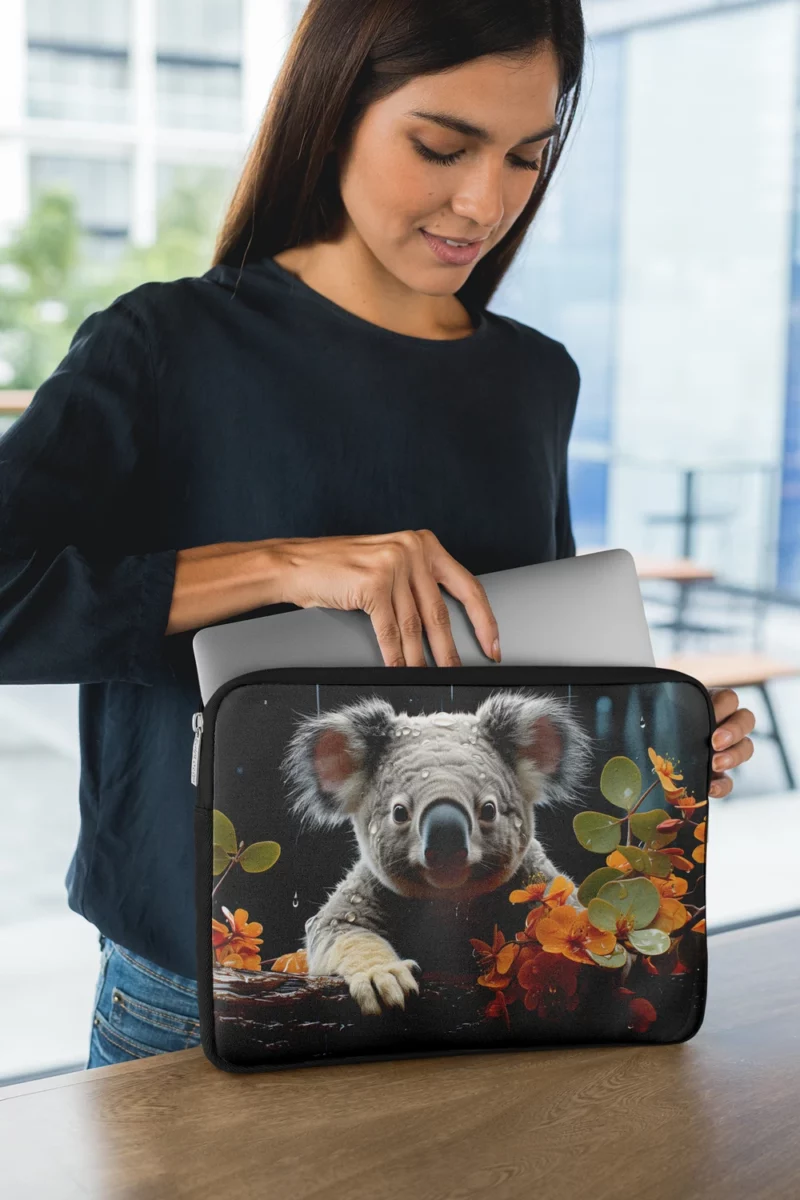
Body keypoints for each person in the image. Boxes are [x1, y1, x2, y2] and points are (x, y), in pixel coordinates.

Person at [0, 0, 755, 1070]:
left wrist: (671, 734)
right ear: (333, 108)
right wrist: (287, 567)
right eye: (439, 146)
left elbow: (523, 664)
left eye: (524, 158)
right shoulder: (162, 345)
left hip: (482, 987)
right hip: (200, 990)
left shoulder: (535, 378)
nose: (482, 201)